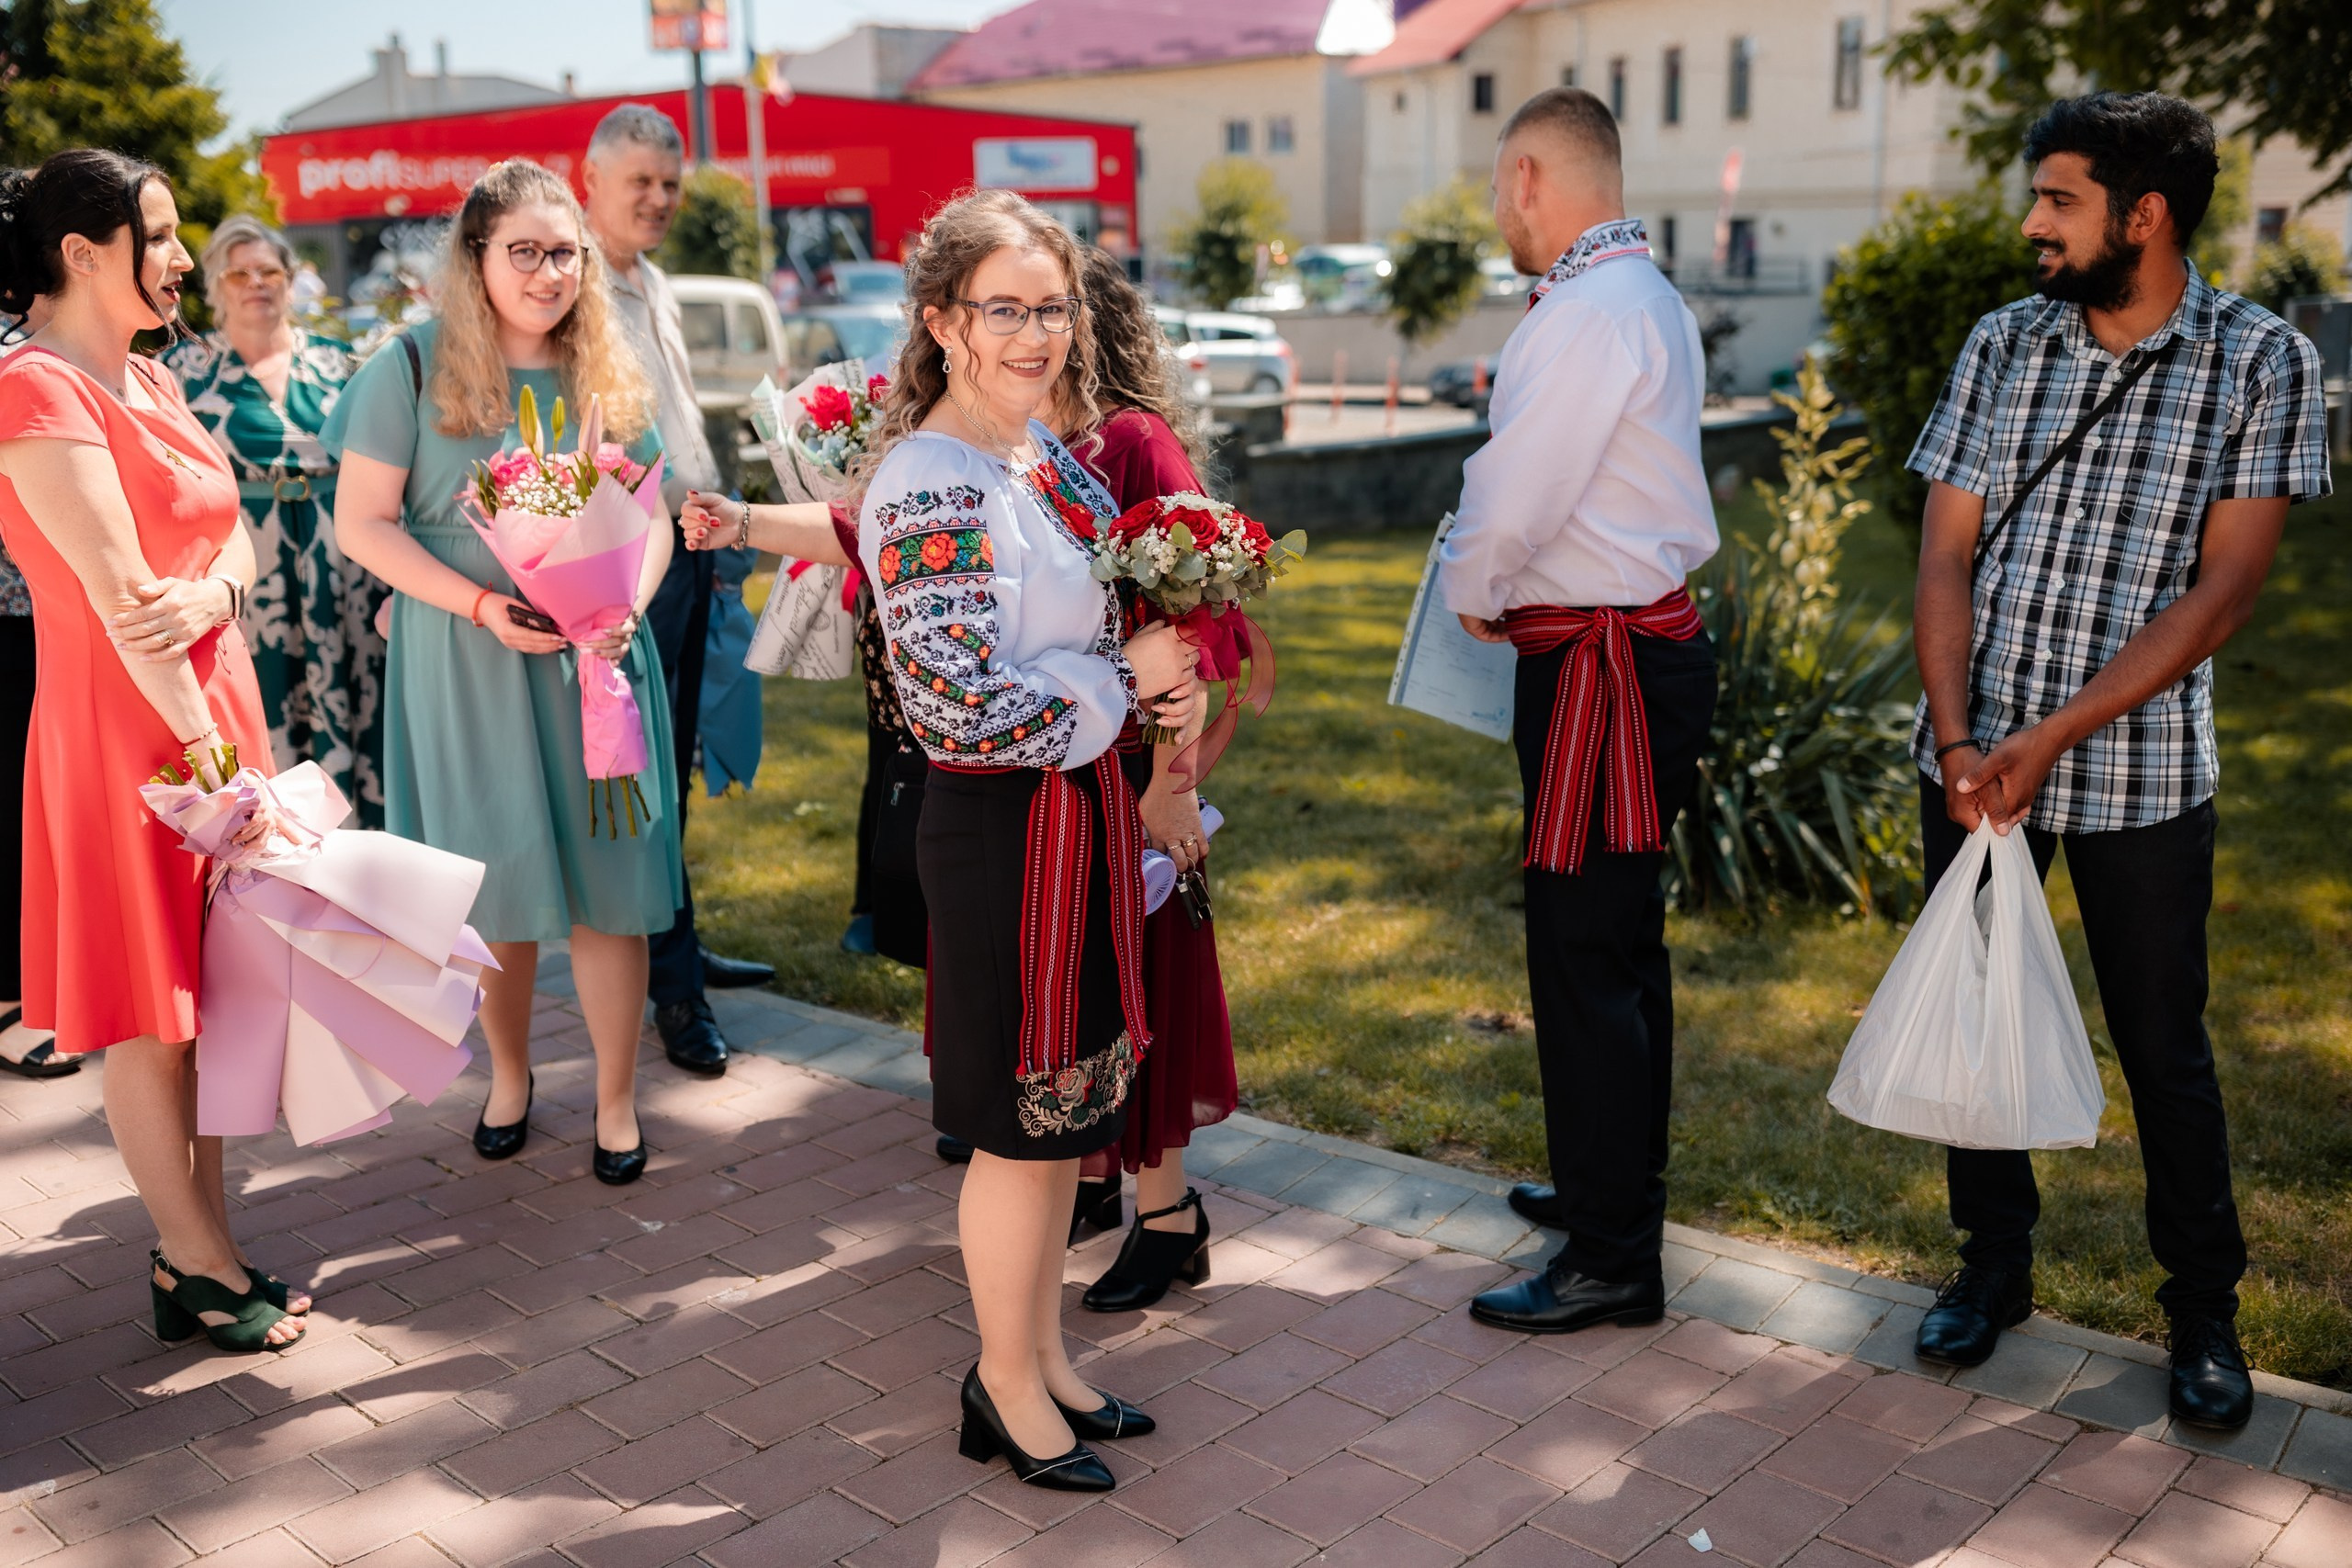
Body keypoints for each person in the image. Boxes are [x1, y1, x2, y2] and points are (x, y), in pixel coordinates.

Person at [1904, 92, 2328, 1430]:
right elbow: (1944, 552)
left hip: (2140, 771)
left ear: (2143, 215)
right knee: (1977, 1025)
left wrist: (2052, 736)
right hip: (1976, 756)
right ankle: (1992, 1267)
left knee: (2164, 1044)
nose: (2033, 222)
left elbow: (2227, 593)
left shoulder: (2262, 361)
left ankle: (2204, 1309)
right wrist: (1966, 735)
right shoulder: (2002, 344)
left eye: (2061, 199)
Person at [855, 188, 1199, 1491]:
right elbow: (956, 698)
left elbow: (1095, 616)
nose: (1035, 334)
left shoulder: (1038, 453)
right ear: (944, 320)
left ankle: (1042, 1351)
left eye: (1050, 307)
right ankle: (1000, 1380)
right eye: (1003, 309)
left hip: (1079, 816)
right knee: (1016, 1121)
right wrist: (1121, 685)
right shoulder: (927, 481)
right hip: (1005, 831)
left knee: (1066, 1113)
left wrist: (1159, 669)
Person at [0, 148, 308, 1348]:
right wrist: (214, 766)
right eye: (164, 235)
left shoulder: (152, 379)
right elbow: (124, 597)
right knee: (153, 1012)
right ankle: (198, 1257)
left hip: (210, 714)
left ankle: (199, 1250)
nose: (183, 259)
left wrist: (224, 604)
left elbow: (235, 544)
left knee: (218, 1002)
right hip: (132, 730)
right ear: (83, 253)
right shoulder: (34, 388)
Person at [326, 158, 684, 1187]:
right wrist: (482, 602)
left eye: (564, 252)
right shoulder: (407, 368)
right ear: (476, 256)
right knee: (498, 886)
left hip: (598, 667)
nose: (548, 273)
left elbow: (650, 515)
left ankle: (618, 1100)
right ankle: (512, 1078)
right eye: (523, 251)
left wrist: (625, 607)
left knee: (610, 889)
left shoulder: (606, 375)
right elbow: (363, 525)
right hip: (466, 662)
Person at [1442, 89, 1721, 1337]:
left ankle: (1614, 1252)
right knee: (1614, 945)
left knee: (1587, 950)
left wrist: (1472, 588)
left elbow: (1516, 493)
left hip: (1602, 666)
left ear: (1533, 175)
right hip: (1620, 654)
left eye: (1502, 187)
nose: (1499, 210)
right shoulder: (1633, 295)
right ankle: (1609, 1191)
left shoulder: (1591, 310)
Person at [1059, 246, 1239, 1311]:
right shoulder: (1053, 444)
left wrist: (1171, 783)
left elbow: (1197, 612)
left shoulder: (1134, 440)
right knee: (1100, 995)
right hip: (1078, 762)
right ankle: (1113, 1190)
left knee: (1152, 993)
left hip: (1140, 775)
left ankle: (1170, 1217)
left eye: (1052, 313)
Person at [581, 102, 775, 1081]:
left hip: (692, 546)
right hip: (628, 561)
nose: (658, 201)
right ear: (592, 183)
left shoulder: (649, 280)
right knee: (641, 776)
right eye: (640, 184)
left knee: (681, 757)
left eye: (669, 184)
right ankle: (674, 996)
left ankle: (678, 946)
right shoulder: (571, 286)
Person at [164, 215, 386, 826]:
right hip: (242, 560)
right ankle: (267, 847)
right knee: (259, 699)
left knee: (354, 694)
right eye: (240, 272)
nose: (256, 283)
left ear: (291, 281)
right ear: (215, 284)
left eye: (270, 271)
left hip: (341, 557)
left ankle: (357, 850)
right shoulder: (182, 370)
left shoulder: (341, 362)